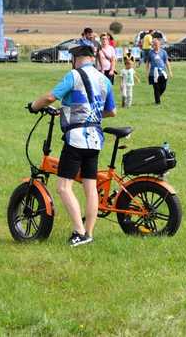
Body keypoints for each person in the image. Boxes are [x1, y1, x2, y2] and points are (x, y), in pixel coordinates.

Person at [27, 45, 116, 247]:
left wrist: (33, 106)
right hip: (95, 139)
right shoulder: (104, 79)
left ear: (76, 58)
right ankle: (89, 233)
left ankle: (79, 231)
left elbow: (50, 97)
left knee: (63, 187)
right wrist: (82, 113)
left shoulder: (73, 75)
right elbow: (111, 111)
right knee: (90, 188)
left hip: (76, 138)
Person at [146, 37, 172, 105]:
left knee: (163, 87)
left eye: (157, 44)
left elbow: (166, 62)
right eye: (154, 44)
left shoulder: (163, 52)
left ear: (159, 44)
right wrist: (147, 72)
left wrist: (170, 71)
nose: (156, 45)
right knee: (156, 88)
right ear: (153, 45)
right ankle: (157, 102)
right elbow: (148, 63)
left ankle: (157, 97)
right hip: (153, 73)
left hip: (162, 73)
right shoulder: (150, 52)